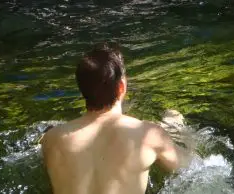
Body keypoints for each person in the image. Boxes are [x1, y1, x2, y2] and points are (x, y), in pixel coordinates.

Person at [40, 45, 194, 194]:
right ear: (121, 87)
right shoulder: (149, 134)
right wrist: (180, 130)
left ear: (82, 88)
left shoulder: (51, 139)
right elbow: (189, 166)